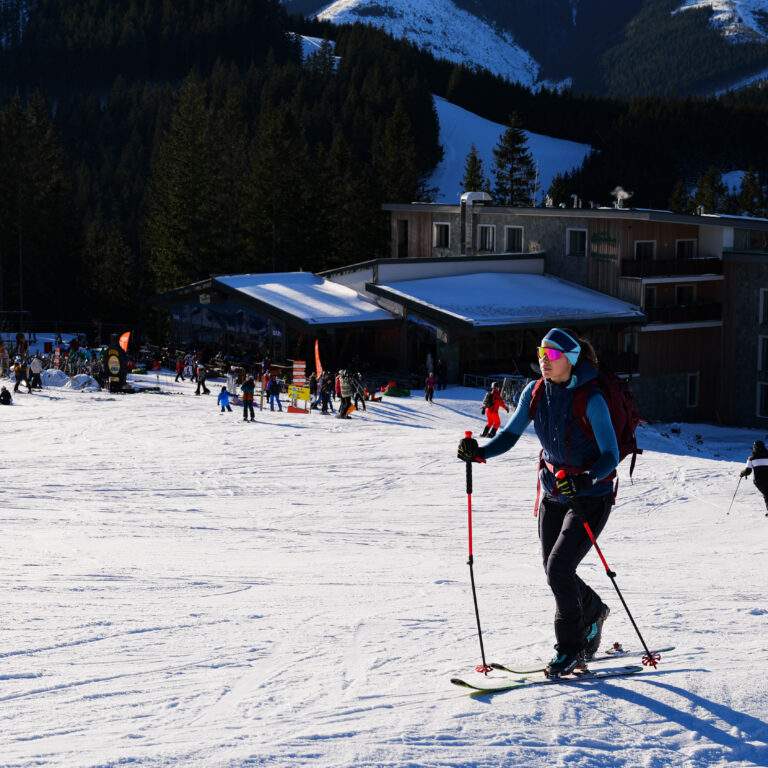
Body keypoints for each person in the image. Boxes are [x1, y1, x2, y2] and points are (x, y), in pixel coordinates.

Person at [457, 328, 618, 678]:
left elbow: (611, 454)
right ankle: (594, 610)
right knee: (554, 569)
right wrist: (479, 452)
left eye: (553, 355)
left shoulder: (592, 399)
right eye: (541, 352)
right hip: (553, 493)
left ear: (571, 359)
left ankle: (571, 650)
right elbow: (510, 435)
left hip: (590, 496)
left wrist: (587, 478)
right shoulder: (535, 392)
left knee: (559, 568)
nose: (544, 359)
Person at [740, 440, 768, 516]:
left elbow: (747, 471)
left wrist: (742, 473)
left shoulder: (751, 458)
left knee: (766, 494)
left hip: (759, 481)